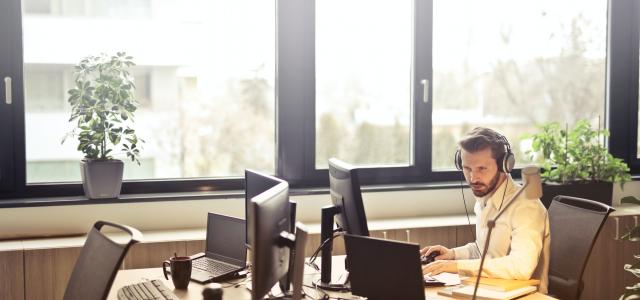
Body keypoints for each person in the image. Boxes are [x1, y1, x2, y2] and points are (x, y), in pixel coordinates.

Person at [421, 127, 550, 294]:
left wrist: (456, 266)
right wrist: (452, 254)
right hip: (489, 290)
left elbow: (521, 267)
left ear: (505, 165)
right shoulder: (485, 199)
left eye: (482, 169)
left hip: (523, 296)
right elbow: (484, 251)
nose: (473, 178)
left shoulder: (526, 206)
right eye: (467, 169)